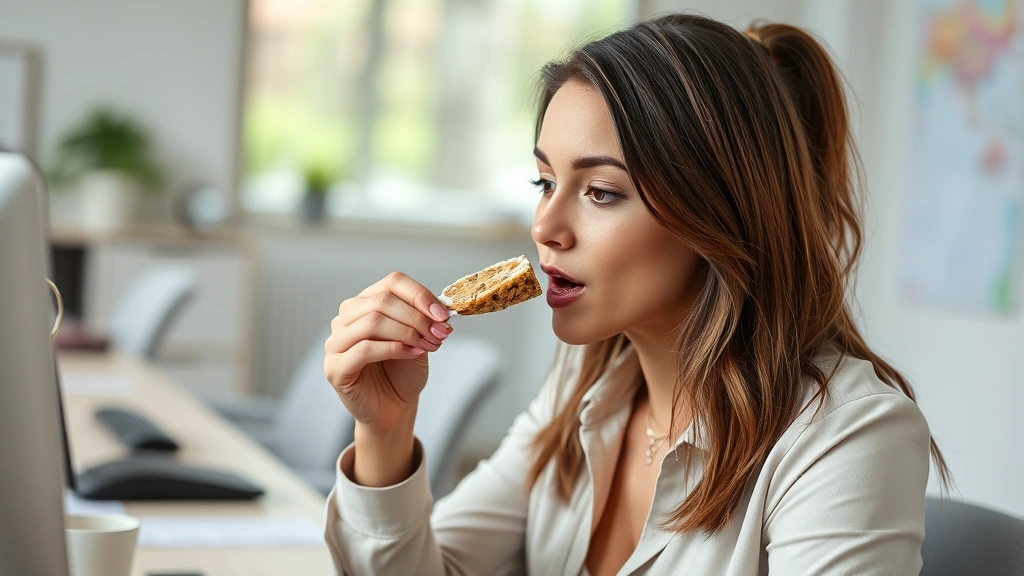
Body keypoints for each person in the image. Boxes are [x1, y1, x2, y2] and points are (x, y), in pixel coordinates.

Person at [321, 13, 949, 576]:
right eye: (544, 181)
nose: (544, 226)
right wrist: (387, 429)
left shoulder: (847, 439)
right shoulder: (583, 389)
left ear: (716, 213)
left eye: (601, 191)